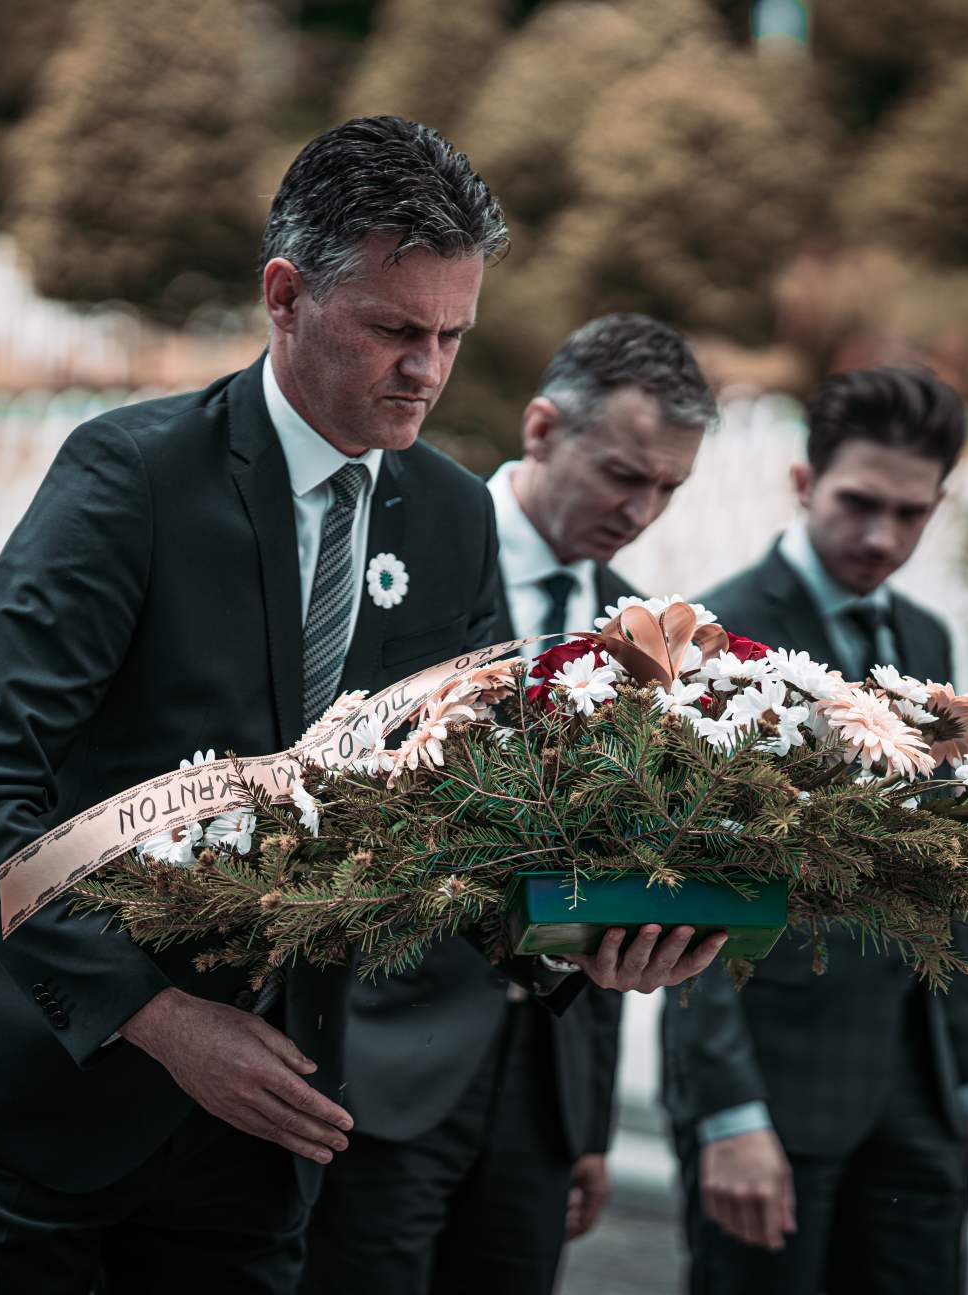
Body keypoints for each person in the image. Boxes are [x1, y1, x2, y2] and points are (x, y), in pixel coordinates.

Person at [0, 116, 724, 1295]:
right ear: (284, 296)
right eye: (395, 330)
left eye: (452, 335)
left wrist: (587, 939)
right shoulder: (130, 477)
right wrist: (161, 1017)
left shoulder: (452, 518)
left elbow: (461, 822)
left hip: (263, 1136)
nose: (427, 370)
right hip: (37, 1101)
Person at [300, 312, 717, 1295]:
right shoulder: (390, 549)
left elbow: (612, 861)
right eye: (623, 473)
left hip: (540, 1095)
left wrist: (587, 1123)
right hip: (369, 1067)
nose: (641, 509)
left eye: (668, 487)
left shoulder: (642, 636)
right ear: (541, 429)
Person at [662, 366, 968, 1295]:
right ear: (804, 483)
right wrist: (728, 1110)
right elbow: (682, 883)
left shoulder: (926, 638)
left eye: (911, 513)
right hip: (775, 1092)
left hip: (920, 1093)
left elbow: (943, 865)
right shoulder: (712, 636)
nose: (883, 536)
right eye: (859, 503)